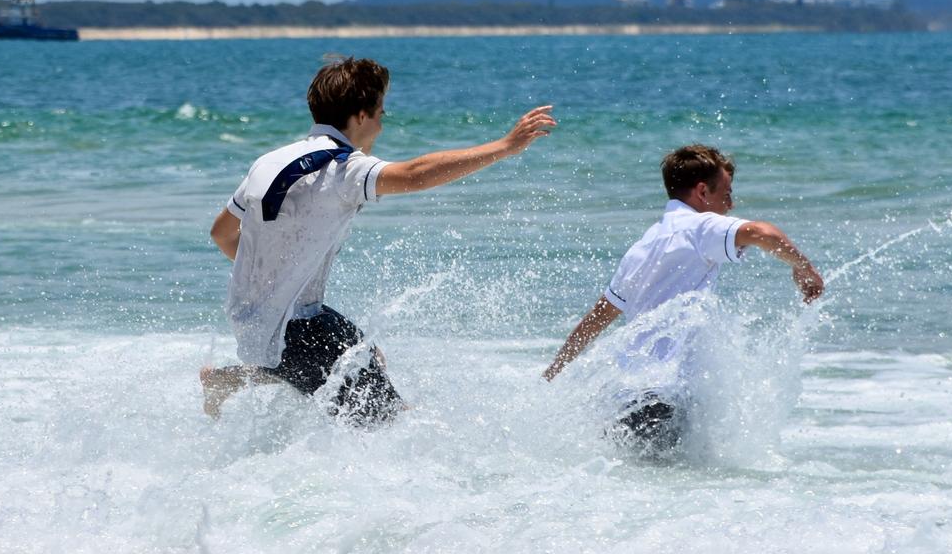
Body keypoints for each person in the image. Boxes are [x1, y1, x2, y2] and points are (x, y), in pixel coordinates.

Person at [201, 56, 556, 425]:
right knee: (387, 422)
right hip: (296, 330)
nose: (381, 127)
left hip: (262, 316)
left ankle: (227, 380)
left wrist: (273, 278)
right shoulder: (342, 167)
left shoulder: (269, 160)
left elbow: (222, 233)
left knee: (369, 356)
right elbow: (416, 175)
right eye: (381, 115)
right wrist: (505, 146)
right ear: (360, 116)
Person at [542, 144, 824, 453]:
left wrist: (553, 373)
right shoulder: (700, 228)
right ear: (702, 191)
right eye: (727, 193)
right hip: (664, 399)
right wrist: (805, 269)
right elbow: (761, 233)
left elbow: (596, 320)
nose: (730, 204)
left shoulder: (643, 245)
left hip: (624, 398)